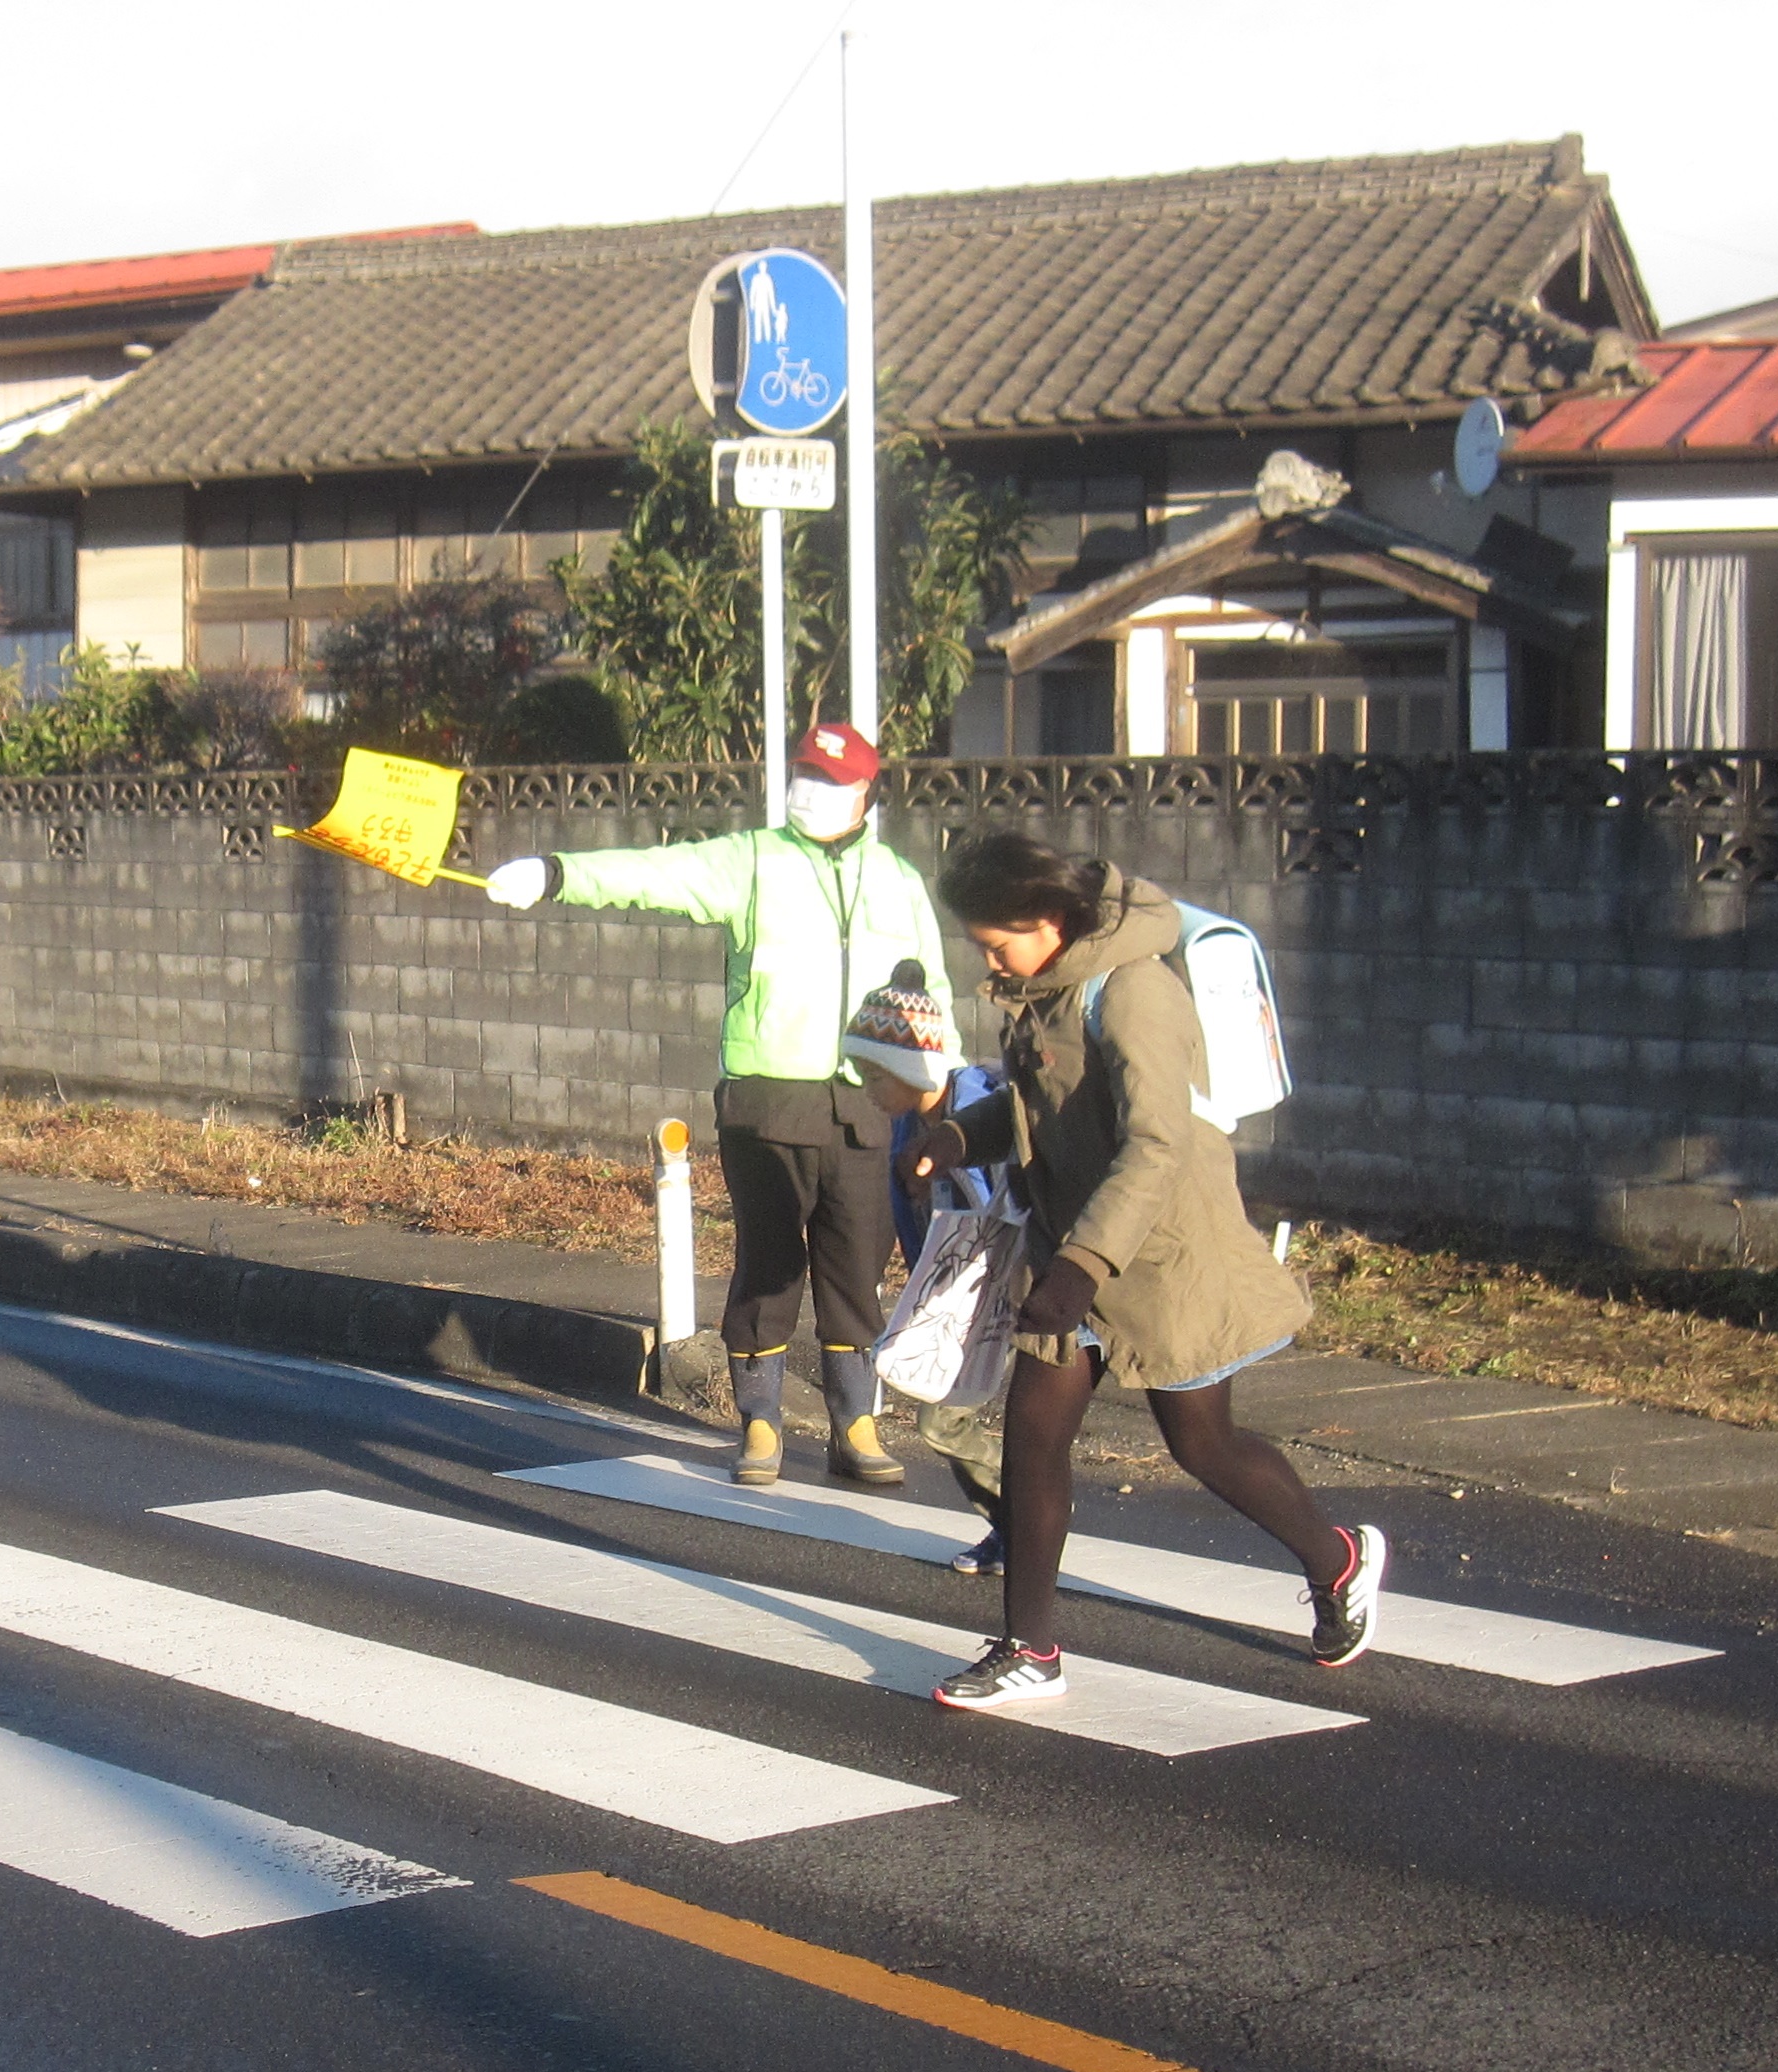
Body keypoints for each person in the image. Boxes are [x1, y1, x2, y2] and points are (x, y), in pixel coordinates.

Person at [903, 831, 1384, 1707]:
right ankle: (1030, 1650)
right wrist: (957, 1137)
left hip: (1159, 1254)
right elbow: (1038, 1106)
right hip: (1069, 1252)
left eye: (995, 940)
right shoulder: (1042, 990)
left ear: (1050, 919)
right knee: (1034, 1434)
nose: (987, 958)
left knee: (1204, 1444)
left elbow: (1156, 1143)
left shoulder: (1133, 994)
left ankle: (1336, 1558)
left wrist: (1084, 1264)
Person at [487, 722, 955, 1489]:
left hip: (866, 1102)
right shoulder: (753, 863)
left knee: (858, 1266)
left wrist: (946, 1108)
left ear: (867, 792)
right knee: (769, 1262)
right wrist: (556, 872)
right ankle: (761, 1424)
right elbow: (655, 875)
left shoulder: (899, 881)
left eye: (833, 782)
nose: (814, 792)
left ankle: (855, 1424)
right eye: (805, 775)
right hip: (766, 1097)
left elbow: (931, 997)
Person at [840, 959, 1009, 1569]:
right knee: (943, 1417)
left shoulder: (979, 1111)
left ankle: (1024, 1522)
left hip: (1006, 1291)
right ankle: (1017, 1523)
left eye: (872, 1075)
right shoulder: (910, 1123)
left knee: (943, 1419)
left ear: (912, 1066)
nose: (866, 1091)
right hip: (958, 1298)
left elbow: (1005, 1211)